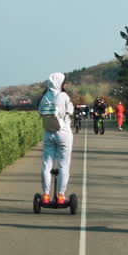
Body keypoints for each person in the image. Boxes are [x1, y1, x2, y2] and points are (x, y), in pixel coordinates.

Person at [37, 72, 76, 205]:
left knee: (46, 164)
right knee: (64, 165)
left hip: (49, 132)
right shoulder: (64, 96)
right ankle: (60, 196)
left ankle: (46, 195)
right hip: (63, 132)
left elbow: (40, 111)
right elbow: (70, 111)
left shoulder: (44, 97)